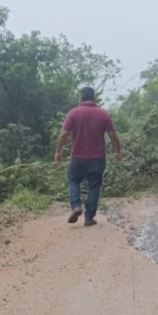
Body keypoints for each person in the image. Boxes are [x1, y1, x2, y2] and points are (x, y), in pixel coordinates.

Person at [55, 87, 122, 226]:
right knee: (94, 186)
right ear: (94, 98)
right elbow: (113, 136)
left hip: (77, 158)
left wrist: (58, 152)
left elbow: (63, 134)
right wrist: (117, 152)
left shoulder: (73, 113)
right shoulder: (103, 114)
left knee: (73, 180)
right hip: (97, 159)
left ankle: (76, 206)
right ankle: (89, 218)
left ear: (81, 98)